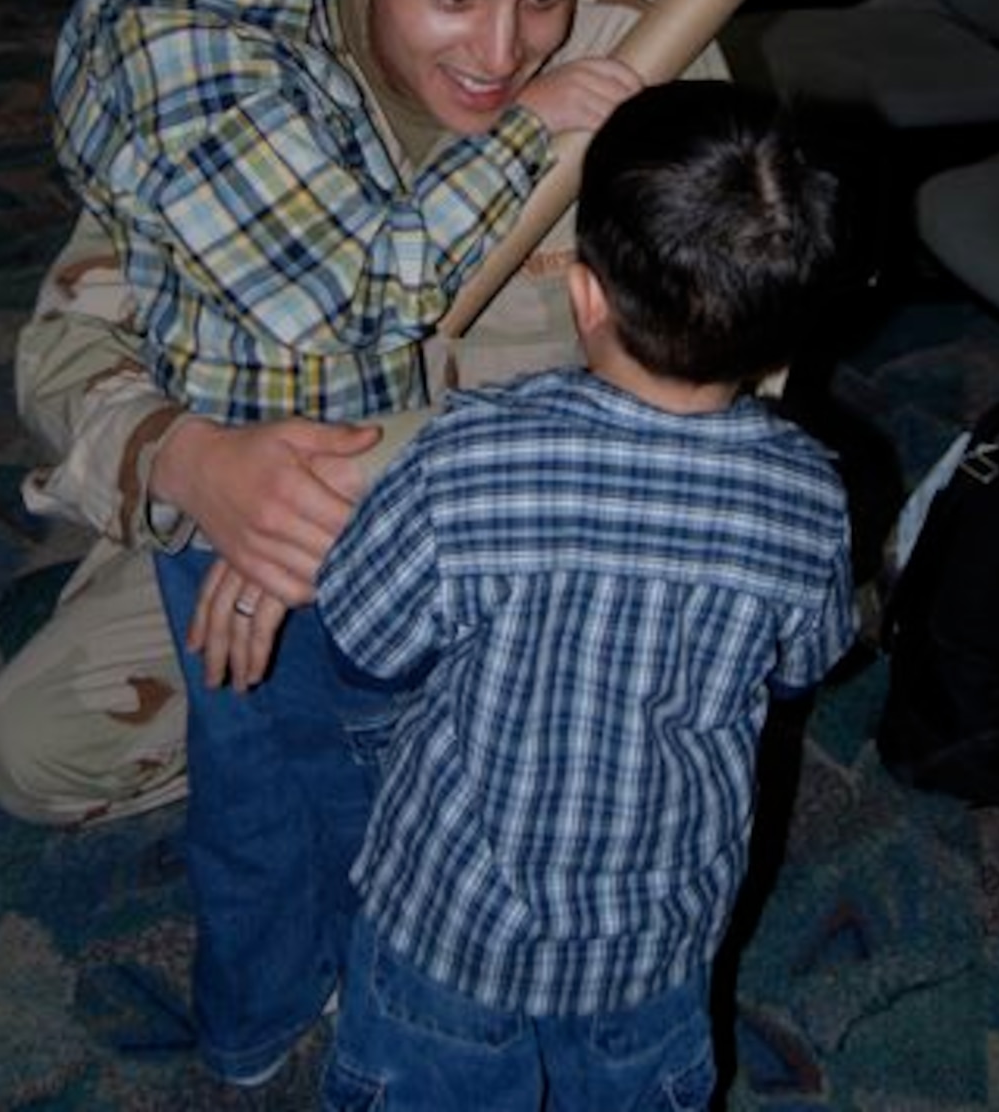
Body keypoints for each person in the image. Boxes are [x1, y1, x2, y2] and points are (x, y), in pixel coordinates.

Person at [0, 0, 642, 1083]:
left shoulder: (637, 53)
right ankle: (281, 1010)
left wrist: (352, 479)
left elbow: (694, 411)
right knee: (230, 778)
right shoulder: (204, 49)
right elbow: (73, 337)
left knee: (351, 769)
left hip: (520, 540)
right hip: (260, 502)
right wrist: (192, 466)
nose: (508, 48)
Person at [316, 79, 857, 1112]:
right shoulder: (807, 496)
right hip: (650, 942)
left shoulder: (467, 448)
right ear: (782, 339)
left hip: (447, 921)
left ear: (583, 291)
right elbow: (802, 664)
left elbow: (362, 646)